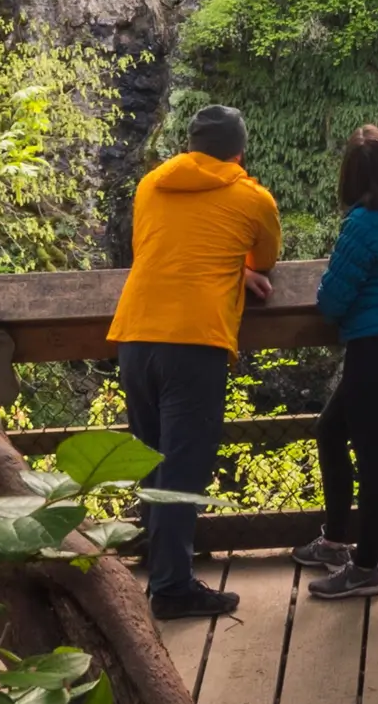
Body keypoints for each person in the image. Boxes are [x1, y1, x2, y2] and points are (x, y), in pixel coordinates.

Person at [107, 105, 282, 620]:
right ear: (239, 151)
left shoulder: (149, 186)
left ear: (189, 146)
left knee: (151, 461)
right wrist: (240, 270)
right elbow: (264, 259)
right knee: (182, 469)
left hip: (135, 334)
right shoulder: (252, 197)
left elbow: (156, 250)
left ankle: (165, 571)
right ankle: (172, 588)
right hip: (195, 340)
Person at [293, 125, 378, 599]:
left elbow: (333, 299)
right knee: (331, 431)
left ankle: (366, 567)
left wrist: (325, 296)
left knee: (373, 459)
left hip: (373, 345)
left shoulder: (364, 224)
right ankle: (335, 539)